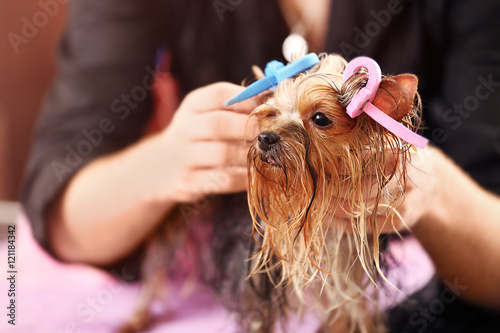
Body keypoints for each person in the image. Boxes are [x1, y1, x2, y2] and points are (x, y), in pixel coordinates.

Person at [22, 0, 500, 331]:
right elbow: (59, 203)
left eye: (317, 120)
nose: (272, 133)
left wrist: (435, 191)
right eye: (271, 115)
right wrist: (164, 164)